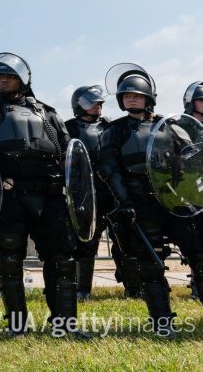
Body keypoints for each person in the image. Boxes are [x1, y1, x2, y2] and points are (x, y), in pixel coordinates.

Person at [98, 64, 203, 339]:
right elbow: (109, 169)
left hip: (177, 203)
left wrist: (196, 196)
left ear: (149, 96)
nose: (131, 99)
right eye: (126, 96)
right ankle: (163, 326)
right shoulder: (113, 132)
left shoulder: (171, 126)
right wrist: (124, 202)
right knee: (151, 268)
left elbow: (195, 159)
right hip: (139, 206)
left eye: (136, 95)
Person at [0, 53, 83, 337]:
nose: (2, 80)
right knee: (9, 262)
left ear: (23, 78)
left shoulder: (48, 112)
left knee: (62, 260)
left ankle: (65, 324)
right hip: (10, 196)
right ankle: (18, 326)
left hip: (50, 196)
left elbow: (70, 154)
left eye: (8, 76)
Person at [64, 85, 140, 300]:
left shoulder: (110, 127)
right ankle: (83, 290)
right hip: (85, 193)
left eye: (99, 103)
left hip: (112, 191)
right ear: (79, 105)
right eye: (92, 103)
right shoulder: (68, 128)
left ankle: (133, 288)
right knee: (86, 244)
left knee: (124, 241)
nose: (97, 107)